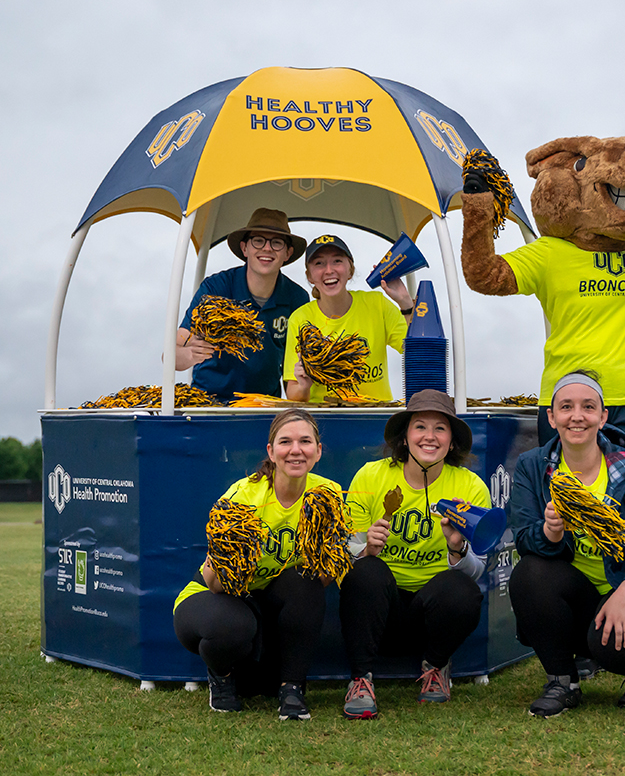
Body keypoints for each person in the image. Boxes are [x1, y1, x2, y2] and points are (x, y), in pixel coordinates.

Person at [507, 370, 625, 717]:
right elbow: (524, 539)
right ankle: (562, 681)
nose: (577, 416)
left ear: (603, 416)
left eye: (588, 407)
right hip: (579, 595)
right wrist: (550, 533)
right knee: (529, 573)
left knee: (618, 648)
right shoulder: (533, 466)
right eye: (565, 407)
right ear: (551, 417)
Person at [172, 408, 338, 721]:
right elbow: (215, 582)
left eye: (305, 441)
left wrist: (326, 554)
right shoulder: (244, 495)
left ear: (318, 450)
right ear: (271, 452)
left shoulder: (326, 494)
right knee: (233, 626)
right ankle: (222, 676)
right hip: (217, 594)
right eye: (285, 441)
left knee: (307, 584)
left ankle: (292, 688)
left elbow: (324, 576)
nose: (295, 450)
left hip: (268, 598)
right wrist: (233, 556)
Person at [339, 389, 487, 719]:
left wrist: (457, 547)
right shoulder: (370, 476)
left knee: (462, 589)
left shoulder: (471, 487)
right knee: (365, 571)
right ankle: (361, 679)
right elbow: (344, 553)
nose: (429, 437)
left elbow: (479, 570)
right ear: (405, 437)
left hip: (430, 616)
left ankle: (435, 666)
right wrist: (365, 548)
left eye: (440, 429)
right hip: (382, 613)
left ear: (452, 441)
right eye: (420, 427)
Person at [176, 208, 310, 401]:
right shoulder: (215, 288)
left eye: (277, 242)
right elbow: (172, 355)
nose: (267, 248)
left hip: (263, 407)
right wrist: (190, 354)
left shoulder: (297, 298)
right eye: (258, 240)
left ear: (287, 253)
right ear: (245, 248)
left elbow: (294, 370)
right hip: (207, 403)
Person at [282, 234, 412, 402]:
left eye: (337, 261)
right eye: (319, 263)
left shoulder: (377, 304)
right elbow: (293, 395)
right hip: (323, 420)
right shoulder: (300, 318)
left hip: (375, 417)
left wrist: (405, 303)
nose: (329, 270)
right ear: (309, 276)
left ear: (350, 270)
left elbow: (418, 354)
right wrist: (303, 386)